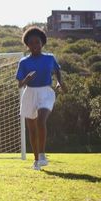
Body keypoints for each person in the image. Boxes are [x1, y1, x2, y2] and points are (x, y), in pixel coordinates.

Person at [16, 26, 67, 170]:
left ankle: (43, 154)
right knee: (32, 131)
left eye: (37, 42)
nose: (34, 45)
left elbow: (57, 70)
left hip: (45, 92)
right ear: (27, 45)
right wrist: (26, 78)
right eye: (31, 43)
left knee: (41, 120)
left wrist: (59, 82)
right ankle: (37, 160)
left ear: (42, 43)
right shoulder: (24, 62)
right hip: (29, 93)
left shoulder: (50, 58)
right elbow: (20, 84)